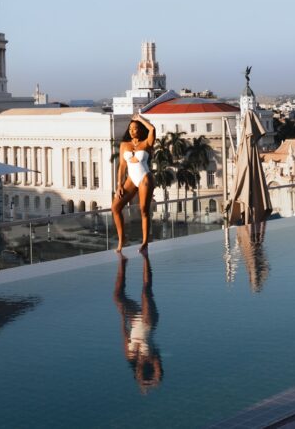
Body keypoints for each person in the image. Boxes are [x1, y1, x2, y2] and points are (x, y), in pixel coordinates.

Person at [113, 253, 163, 393]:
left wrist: (122, 317)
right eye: (141, 374)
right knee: (145, 291)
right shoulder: (151, 358)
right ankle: (146, 258)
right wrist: (152, 382)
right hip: (148, 321)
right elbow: (159, 374)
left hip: (134, 320)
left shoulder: (130, 355)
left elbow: (125, 335)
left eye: (138, 375)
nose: (139, 374)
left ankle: (122, 264)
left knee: (118, 297)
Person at [113, 113, 156, 252]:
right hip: (131, 179)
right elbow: (122, 166)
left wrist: (140, 119)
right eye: (130, 128)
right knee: (115, 207)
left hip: (145, 178)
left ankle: (145, 242)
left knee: (144, 210)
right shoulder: (124, 145)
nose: (132, 131)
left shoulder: (146, 143)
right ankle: (122, 239)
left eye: (135, 128)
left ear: (140, 129)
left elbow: (152, 129)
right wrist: (119, 185)